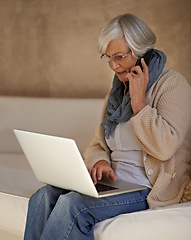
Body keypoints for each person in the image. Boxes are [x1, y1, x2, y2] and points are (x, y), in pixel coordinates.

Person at [24, 13, 191, 240]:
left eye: (119, 56)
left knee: (74, 206)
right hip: (114, 185)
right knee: (42, 196)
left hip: (146, 187)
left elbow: (165, 147)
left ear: (141, 51)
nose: (113, 65)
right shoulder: (115, 94)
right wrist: (100, 161)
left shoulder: (173, 86)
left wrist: (139, 102)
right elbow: (97, 145)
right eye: (108, 57)